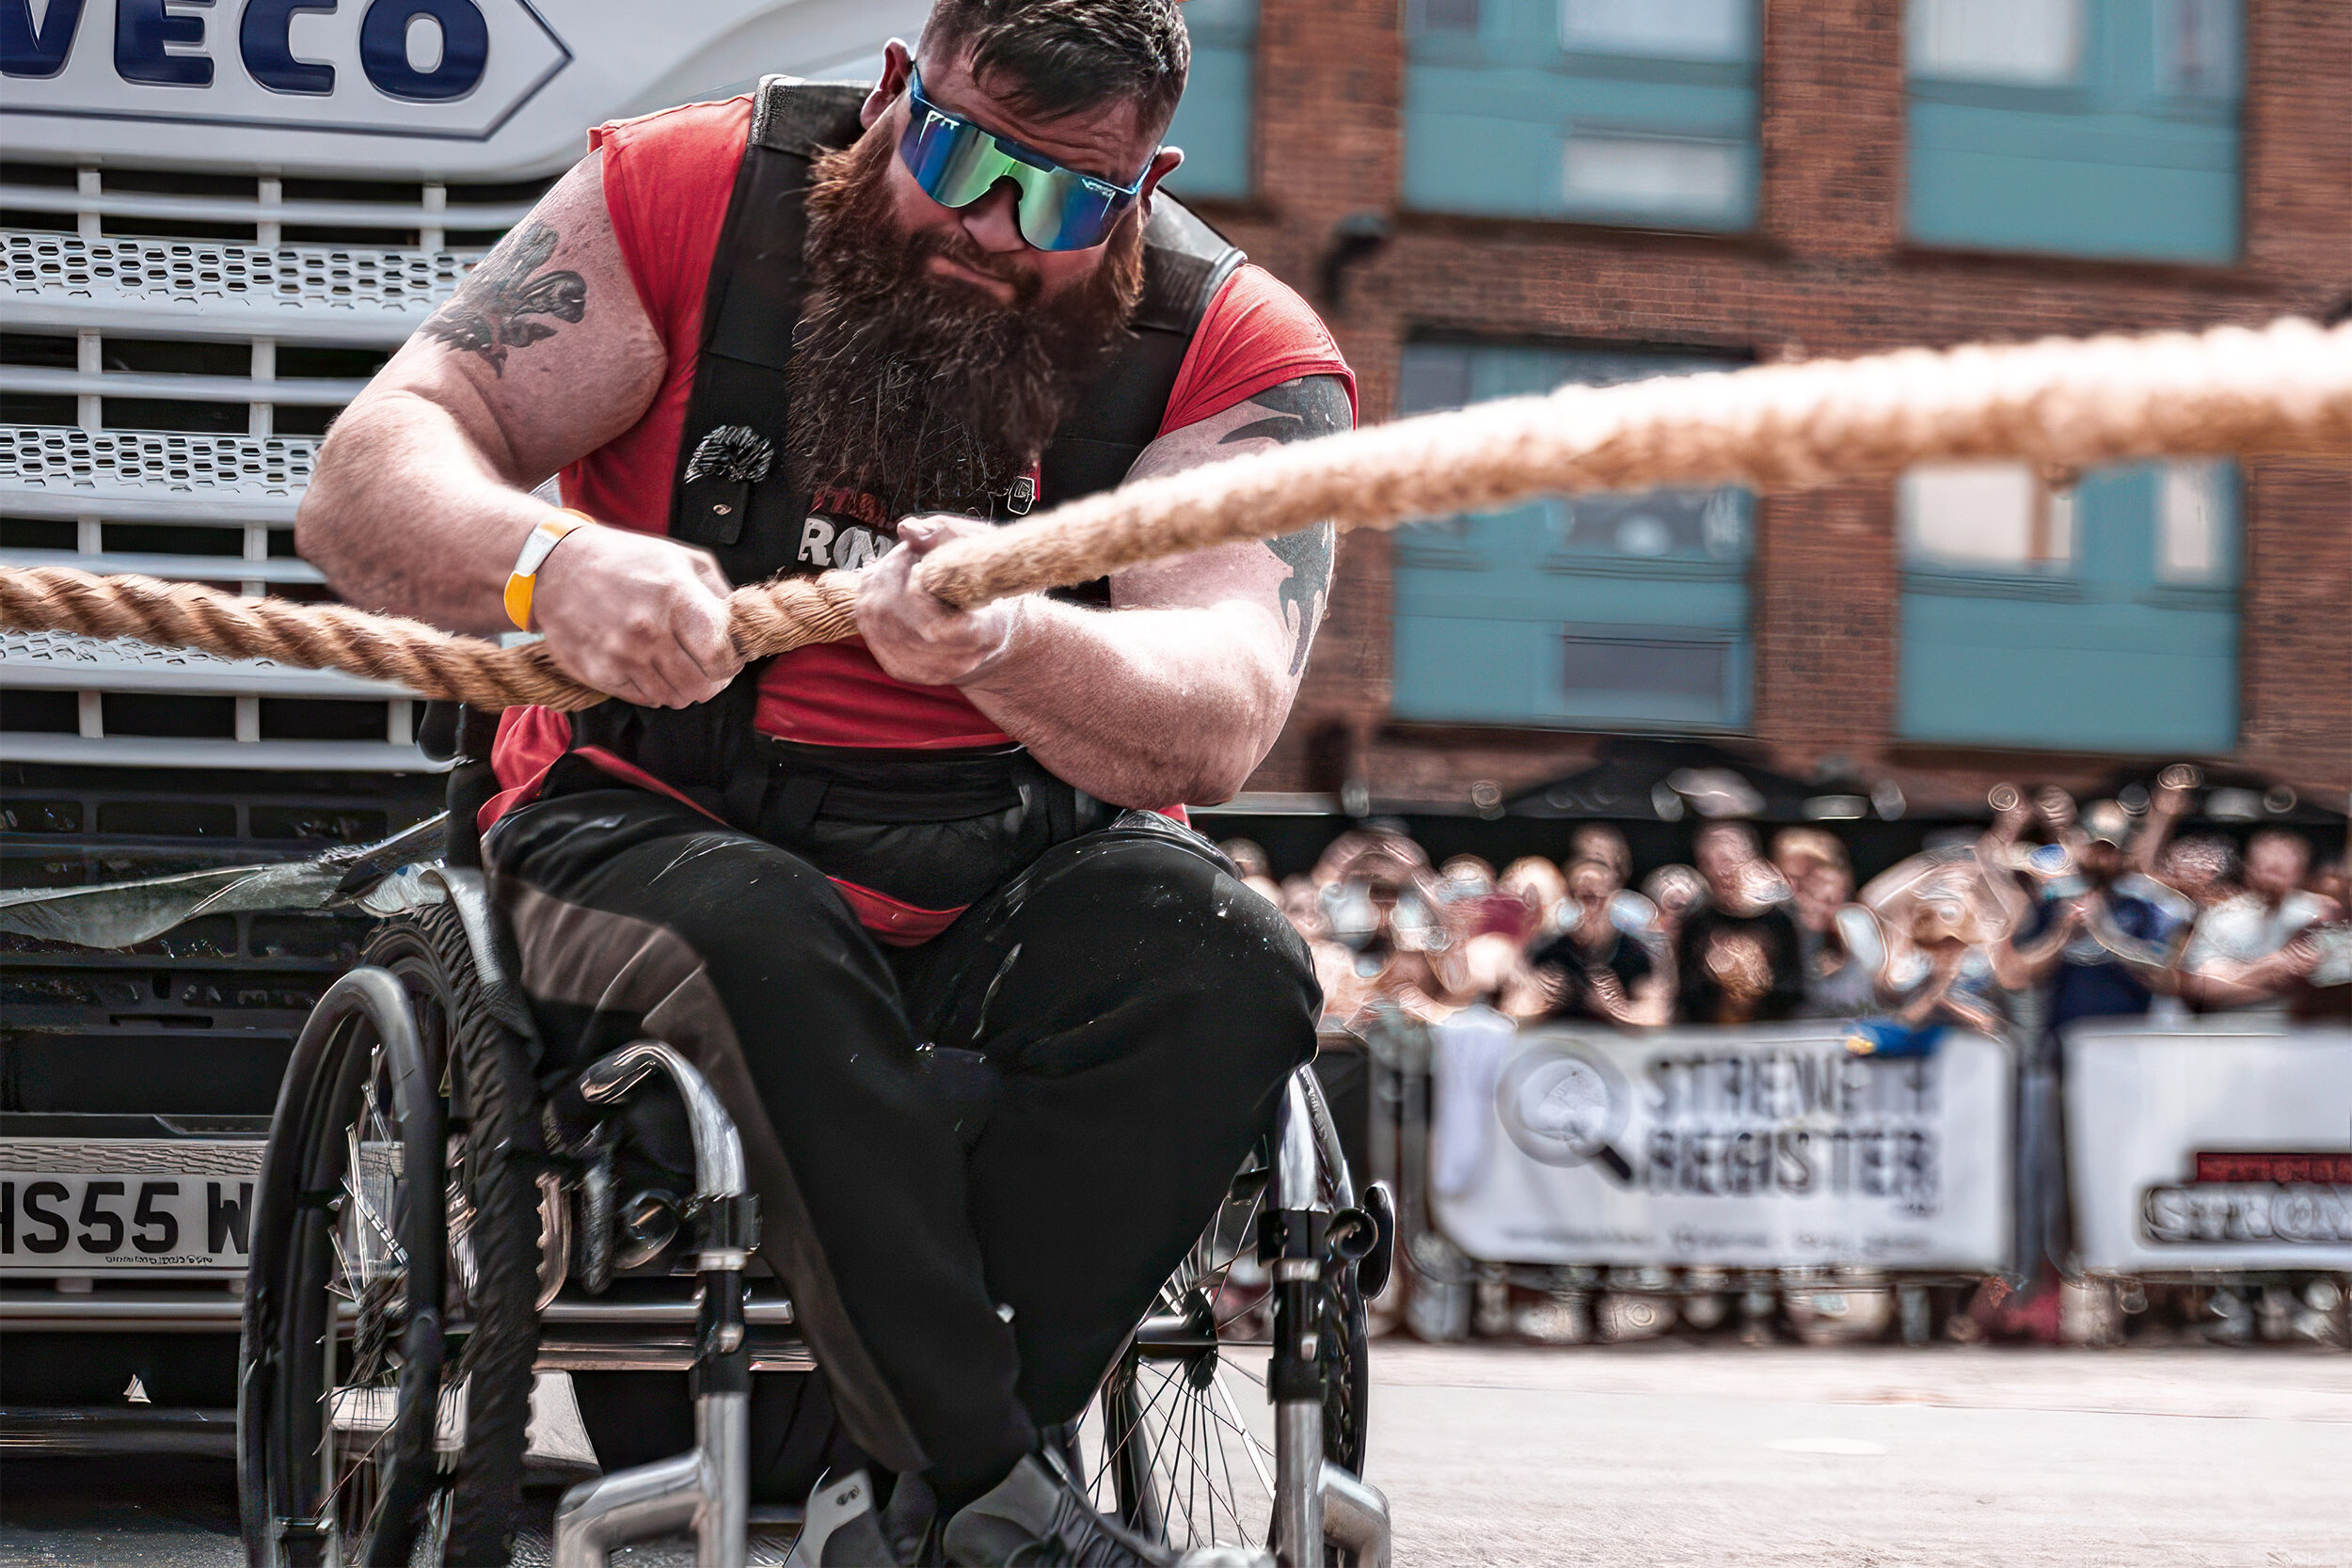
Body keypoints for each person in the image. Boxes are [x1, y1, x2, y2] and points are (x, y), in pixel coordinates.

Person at [294, 4, 1352, 1561]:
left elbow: (1218, 709)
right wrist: (546, 566)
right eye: (955, 153)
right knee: (768, 936)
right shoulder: (687, 195)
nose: (992, 227)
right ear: (887, 97)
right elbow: (374, 470)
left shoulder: (1234, 346)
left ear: (1145, 187)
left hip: (1012, 851)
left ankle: (914, 1495)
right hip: (652, 816)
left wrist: (1005, 644)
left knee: (1236, 964)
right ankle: (987, 1498)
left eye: (1061, 197)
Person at [1676, 823, 1805, 1024]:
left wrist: (1756, 983)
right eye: (1707, 862)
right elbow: (1686, 994)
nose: (1719, 871)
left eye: (1727, 860)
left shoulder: (1779, 921)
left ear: (1751, 860)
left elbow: (1794, 989)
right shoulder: (1696, 923)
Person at [1528, 859, 1675, 1026]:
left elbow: (1656, 1017)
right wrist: (1545, 1006)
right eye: (1585, 898)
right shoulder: (1553, 952)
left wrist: (1614, 1008)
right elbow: (1517, 1010)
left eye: (1599, 898)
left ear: (1613, 899)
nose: (1591, 910)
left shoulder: (1633, 953)